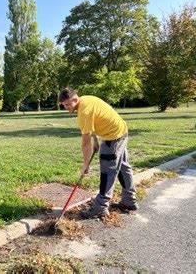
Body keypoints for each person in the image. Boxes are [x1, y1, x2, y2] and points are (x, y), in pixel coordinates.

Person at [59, 87, 138, 219]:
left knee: (108, 172)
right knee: (123, 167)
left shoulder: (84, 112)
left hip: (112, 138)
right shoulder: (87, 99)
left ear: (75, 98)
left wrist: (85, 164)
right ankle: (129, 201)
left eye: (67, 104)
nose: (66, 108)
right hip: (121, 131)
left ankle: (100, 207)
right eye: (63, 105)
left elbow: (85, 144)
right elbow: (95, 121)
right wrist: (95, 139)